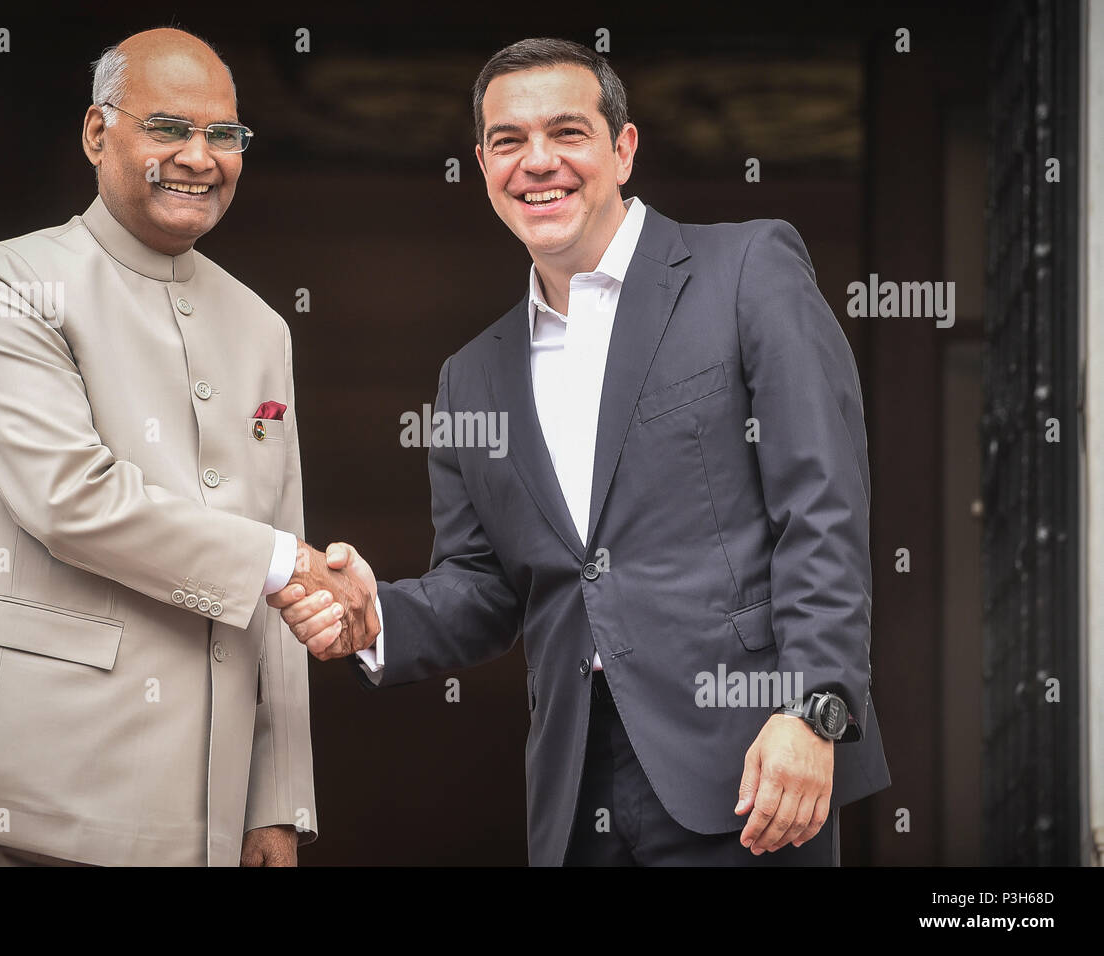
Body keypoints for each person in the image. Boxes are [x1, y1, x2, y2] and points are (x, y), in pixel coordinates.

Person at [269, 37, 890, 866]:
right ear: (483, 167)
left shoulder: (748, 269)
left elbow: (823, 506)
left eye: (567, 132)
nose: (537, 162)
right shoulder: (470, 376)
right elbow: (487, 587)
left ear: (623, 149)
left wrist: (816, 711)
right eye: (507, 141)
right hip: (573, 797)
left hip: (752, 767)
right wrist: (376, 613)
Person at [0, 26, 372, 867]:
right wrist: (283, 563)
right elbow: (71, 500)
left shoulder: (260, 326)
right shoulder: (7, 282)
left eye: (224, 135)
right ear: (95, 133)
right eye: (169, 127)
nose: (200, 156)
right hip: (23, 791)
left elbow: (279, 564)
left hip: (204, 820)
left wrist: (278, 801)